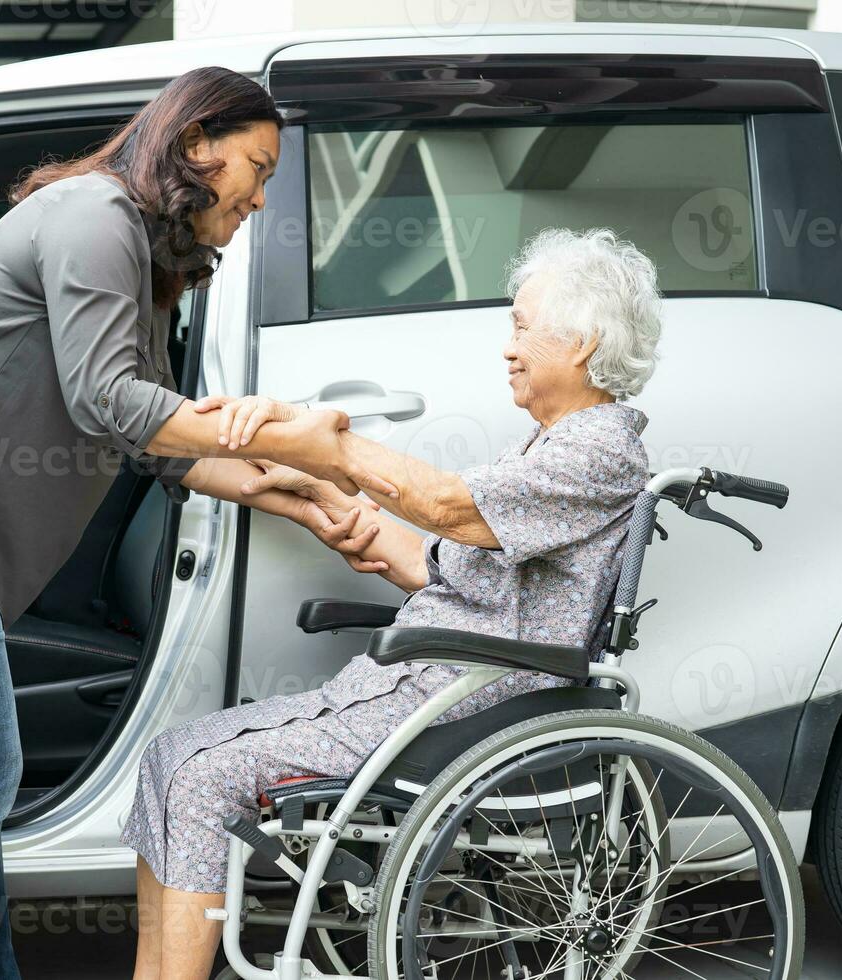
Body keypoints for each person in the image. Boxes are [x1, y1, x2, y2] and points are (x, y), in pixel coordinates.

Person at [0, 66, 391, 980]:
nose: (258, 195)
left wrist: (280, 487)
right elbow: (106, 399)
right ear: (196, 142)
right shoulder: (94, 216)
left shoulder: (127, 244)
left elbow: (155, 438)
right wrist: (302, 438)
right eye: (258, 165)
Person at [120, 227, 665, 980]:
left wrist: (333, 446)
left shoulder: (594, 451)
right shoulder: (549, 449)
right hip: (432, 688)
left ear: (580, 342)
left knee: (204, 776)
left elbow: (443, 505)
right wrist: (318, 490)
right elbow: (441, 559)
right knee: (171, 757)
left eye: (520, 325)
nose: (507, 346)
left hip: (462, 704)